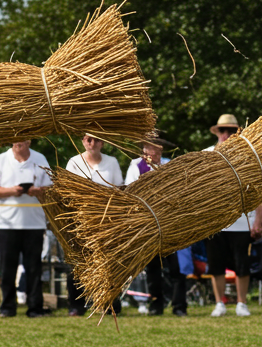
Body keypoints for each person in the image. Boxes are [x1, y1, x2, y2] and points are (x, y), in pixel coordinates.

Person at [0, 141, 52, 317]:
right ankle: (7, 307)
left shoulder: (40, 158)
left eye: (23, 138)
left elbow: (51, 188)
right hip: (7, 224)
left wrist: (38, 191)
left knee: (33, 267)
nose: (18, 143)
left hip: (34, 223)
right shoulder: (0, 160)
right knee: (7, 268)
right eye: (15, 139)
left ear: (29, 140)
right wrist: (11, 191)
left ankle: (35, 307)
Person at [204, 114, 262, 317]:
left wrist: (258, 220)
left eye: (231, 131)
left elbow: (258, 190)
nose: (226, 134)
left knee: (242, 264)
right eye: (223, 131)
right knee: (216, 264)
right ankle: (219, 303)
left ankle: (241, 303)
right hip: (215, 223)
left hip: (242, 222)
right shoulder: (206, 154)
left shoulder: (248, 156)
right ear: (218, 133)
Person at [126, 133, 187, 316]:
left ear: (160, 148)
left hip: (170, 223)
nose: (149, 150)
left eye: (153, 146)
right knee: (153, 268)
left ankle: (179, 306)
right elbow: (130, 192)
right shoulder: (136, 166)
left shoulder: (170, 165)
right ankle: (156, 304)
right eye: (146, 146)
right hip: (149, 224)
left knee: (176, 267)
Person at [64, 133, 124, 315]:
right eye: (88, 139)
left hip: (106, 220)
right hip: (80, 219)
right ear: (82, 141)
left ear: (103, 143)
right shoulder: (74, 162)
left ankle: (109, 303)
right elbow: (67, 191)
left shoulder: (112, 162)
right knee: (79, 260)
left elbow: (119, 189)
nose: (92, 143)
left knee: (108, 261)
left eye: (96, 139)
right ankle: (76, 304)